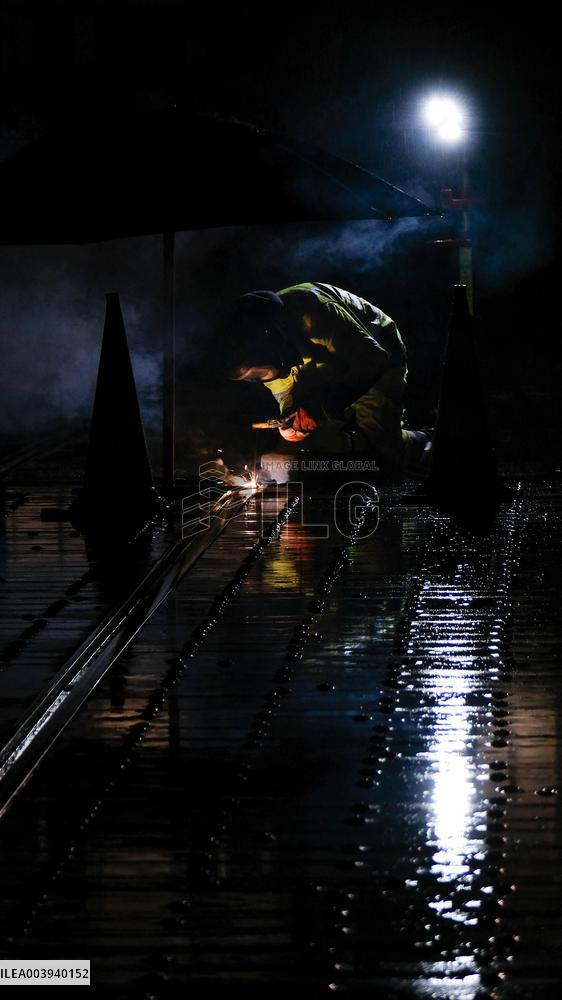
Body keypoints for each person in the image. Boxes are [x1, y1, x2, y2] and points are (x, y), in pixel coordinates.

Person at [221, 281, 430, 469]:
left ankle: (425, 440)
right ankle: (354, 440)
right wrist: (291, 420)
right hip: (323, 362)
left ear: (274, 342)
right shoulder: (257, 352)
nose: (261, 378)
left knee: (384, 448)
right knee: (309, 441)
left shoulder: (315, 312)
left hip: (376, 352)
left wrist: (323, 408)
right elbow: (286, 394)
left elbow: (373, 361)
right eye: (254, 377)